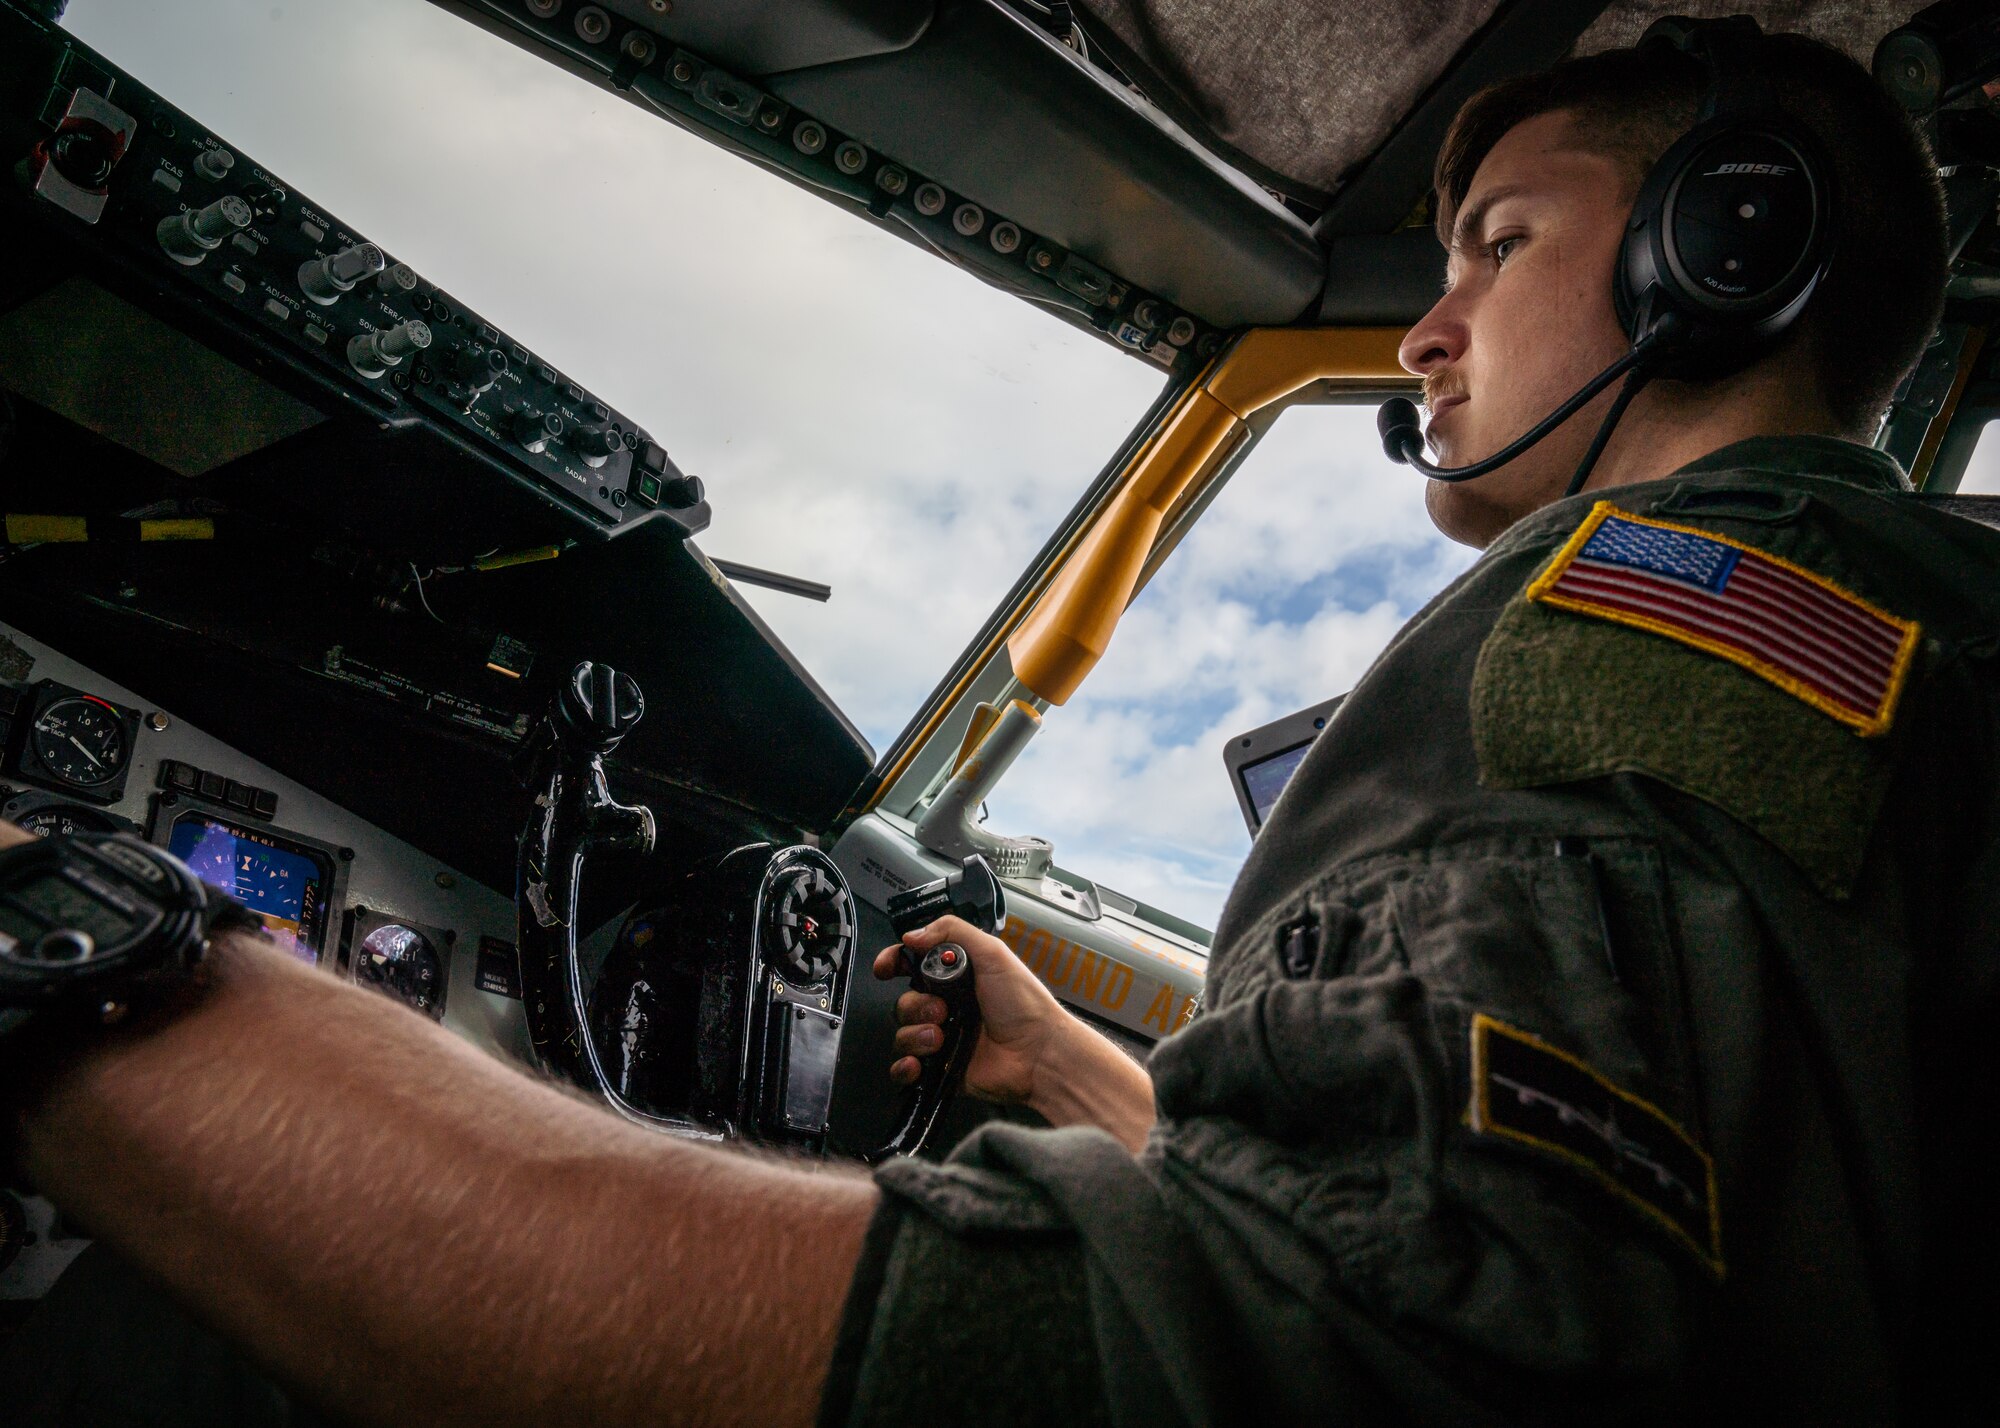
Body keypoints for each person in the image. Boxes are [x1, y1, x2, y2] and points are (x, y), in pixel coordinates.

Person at [0, 22, 1985, 1428]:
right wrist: (1072, 1072)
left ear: (1724, 253)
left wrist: (87, 965)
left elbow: (1318, 1374)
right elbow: (1551, 1280)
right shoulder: (1904, 631)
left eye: (1499, 244)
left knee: (196, 1347)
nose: (1424, 328)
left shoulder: (1639, 636)